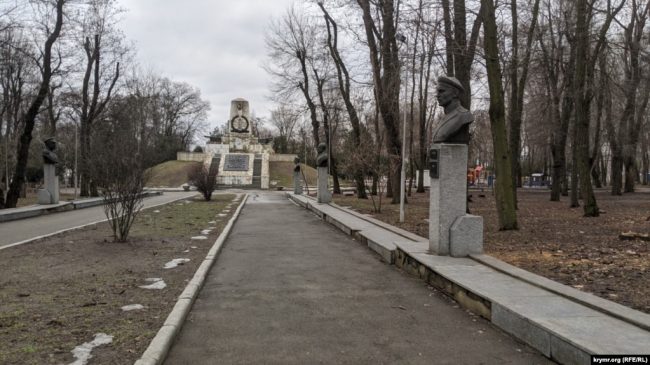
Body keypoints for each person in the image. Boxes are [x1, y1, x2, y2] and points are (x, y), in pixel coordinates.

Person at [432, 76, 474, 144]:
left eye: (441, 91)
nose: (437, 95)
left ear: (455, 93)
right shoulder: (444, 118)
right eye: (437, 92)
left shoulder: (464, 115)